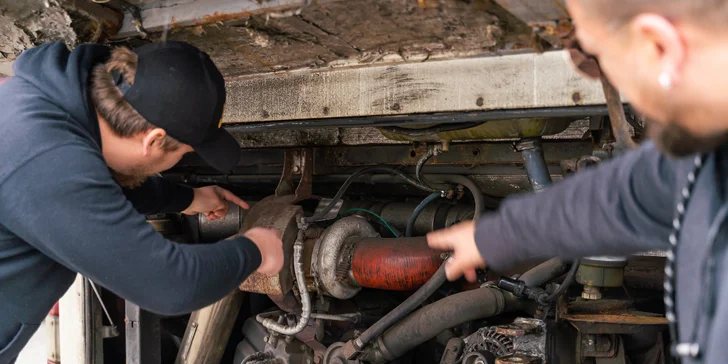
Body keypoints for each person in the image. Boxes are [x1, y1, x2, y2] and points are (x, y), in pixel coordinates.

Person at [427, 0, 728, 363]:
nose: (593, 74)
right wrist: (493, 236)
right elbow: (623, 197)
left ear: (657, 46)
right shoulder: (703, 157)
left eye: (597, 55)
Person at [0, 41, 284, 363]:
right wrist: (257, 250)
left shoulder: (40, 105)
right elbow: (169, 286)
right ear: (153, 140)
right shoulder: (44, 158)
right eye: (183, 154)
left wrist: (187, 199)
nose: (179, 161)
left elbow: (92, 188)